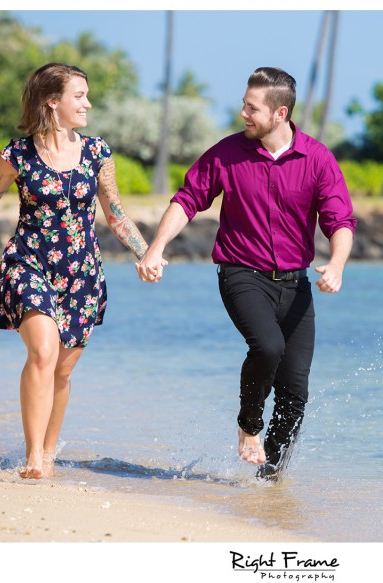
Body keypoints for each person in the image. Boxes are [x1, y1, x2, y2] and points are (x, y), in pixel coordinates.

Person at [0, 62, 156, 479]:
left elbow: (116, 214)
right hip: (27, 262)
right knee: (43, 353)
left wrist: (146, 252)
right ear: (53, 102)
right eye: (79, 96)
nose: (88, 103)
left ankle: (48, 453)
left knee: (62, 370)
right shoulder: (16, 154)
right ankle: (33, 458)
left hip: (83, 272)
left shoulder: (98, 153)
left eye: (86, 95)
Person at [136, 67, 357, 480]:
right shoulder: (227, 153)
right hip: (241, 273)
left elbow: (340, 220)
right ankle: (248, 426)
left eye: (251, 108)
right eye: (244, 104)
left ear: (280, 113)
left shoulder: (317, 158)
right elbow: (187, 200)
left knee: (295, 394)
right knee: (268, 347)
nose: (242, 114)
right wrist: (156, 247)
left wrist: (338, 265)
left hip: (296, 284)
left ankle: (268, 480)